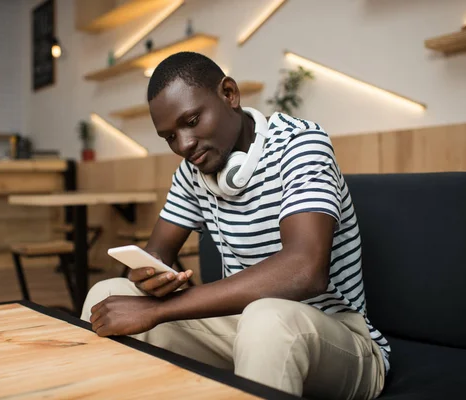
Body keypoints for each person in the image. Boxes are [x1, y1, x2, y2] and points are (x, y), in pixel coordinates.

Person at [81, 51, 390, 399]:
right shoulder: (193, 172)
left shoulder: (300, 145)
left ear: (229, 94)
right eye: (169, 137)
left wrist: (161, 309)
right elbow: (157, 253)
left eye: (192, 120)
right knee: (106, 295)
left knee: (267, 320)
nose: (184, 145)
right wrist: (150, 276)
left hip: (340, 341)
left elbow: (305, 270)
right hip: (245, 329)